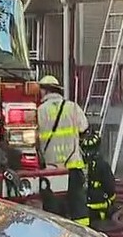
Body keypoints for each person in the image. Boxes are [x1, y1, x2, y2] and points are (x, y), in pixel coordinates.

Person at [35, 74, 91, 227]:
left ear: (44, 91)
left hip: (51, 170)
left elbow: (33, 139)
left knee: (53, 207)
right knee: (78, 203)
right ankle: (84, 236)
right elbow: (84, 129)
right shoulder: (73, 107)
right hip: (73, 163)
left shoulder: (39, 111)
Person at [81, 129, 117, 227]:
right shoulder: (103, 165)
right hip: (100, 209)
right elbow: (110, 187)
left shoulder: (79, 165)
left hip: (82, 209)